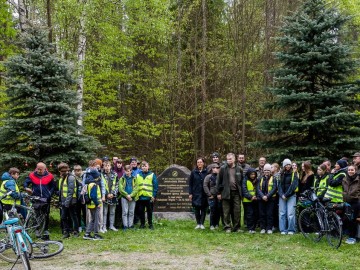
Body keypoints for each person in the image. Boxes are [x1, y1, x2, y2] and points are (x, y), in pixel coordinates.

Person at [24, 162, 55, 239]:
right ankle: (37, 229)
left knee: (46, 214)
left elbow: (53, 187)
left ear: (45, 169)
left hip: (46, 198)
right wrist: (26, 188)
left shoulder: (50, 176)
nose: (39, 170)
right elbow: (26, 183)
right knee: (36, 214)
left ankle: (45, 229)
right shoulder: (32, 175)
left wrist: (49, 194)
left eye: (41, 169)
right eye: (38, 169)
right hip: (35, 198)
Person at [216, 153, 243, 233]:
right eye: (227, 159)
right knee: (226, 211)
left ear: (234, 159)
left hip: (236, 193)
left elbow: (242, 181)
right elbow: (218, 181)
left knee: (237, 211)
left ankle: (236, 227)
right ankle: (227, 227)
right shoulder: (223, 168)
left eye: (230, 159)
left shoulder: (239, 169)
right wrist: (218, 193)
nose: (229, 160)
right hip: (225, 192)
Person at [57, 162, 79, 238]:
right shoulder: (62, 178)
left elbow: (71, 191)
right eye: (61, 171)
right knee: (63, 217)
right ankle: (66, 232)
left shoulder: (71, 178)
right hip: (63, 201)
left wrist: (66, 203)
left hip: (71, 201)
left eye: (64, 171)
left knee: (73, 216)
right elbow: (62, 190)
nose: (62, 172)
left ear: (67, 170)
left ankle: (76, 231)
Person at [278, 159, 298, 235]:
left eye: (289, 164)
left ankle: (291, 229)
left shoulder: (294, 173)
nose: (288, 166)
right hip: (282, 196)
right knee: (282, 213)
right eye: (286, 165)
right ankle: (282, 229)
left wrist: (286, 195)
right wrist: (282, 194)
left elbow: (294, 185)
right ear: (284, 166)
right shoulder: (281, 174)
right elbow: (278, 185)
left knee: (291, 214)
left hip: (291, 196)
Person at [135, 161, 158, 229]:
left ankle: (150, 224)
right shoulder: (138, 175)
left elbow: (155, 186)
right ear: (141, 167)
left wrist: (154, 195)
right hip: (140, 197)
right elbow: (135, 185)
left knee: (149, 211)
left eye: (145, 166)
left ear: (148, 167)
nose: (144, 167)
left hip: (149, 197)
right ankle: (142, 224)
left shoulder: (152, 175)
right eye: (143, 166)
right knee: (141, 211)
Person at [83, 167, 103, 240]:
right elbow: (93, 196)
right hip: (95, 205)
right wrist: (97, 203)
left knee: (93, 219)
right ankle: (96, 234)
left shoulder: (88, 183)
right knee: (97, 220)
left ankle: (87, 234)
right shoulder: (93, 184)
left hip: (90, 205)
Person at [257, 164, 277, 234]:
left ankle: (269, 228)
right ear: (263, 171)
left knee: (269, 214)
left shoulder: (274, 178)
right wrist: (262, 196)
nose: (266, 171)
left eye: (268, 170)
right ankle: (263, 228)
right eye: (265, 170)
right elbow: (258, 188)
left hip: (270, 199)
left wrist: (267, 196)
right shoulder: (260, 178)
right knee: (262, 214)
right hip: (261, 199)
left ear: (270, 171)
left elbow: (274, 188)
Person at [342, 165, 360, 244]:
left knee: (353, 219)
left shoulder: (358, 179)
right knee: (348, 218)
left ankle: (352, 237)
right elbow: (344, 189)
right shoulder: (344, 179)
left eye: (352, 170)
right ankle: (349, 234)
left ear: (355, 171)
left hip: (356, 202)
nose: (350, 171)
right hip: (347, 201)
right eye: (349, 170)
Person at [189, 158, 208, 229]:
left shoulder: (206, 171)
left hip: (204, 193)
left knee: (203, 209)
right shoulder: (193, 172)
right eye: (198, 162)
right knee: (196, 209)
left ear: (203, 163)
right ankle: (198, 223)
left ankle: (202, 224)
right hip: (195, 193)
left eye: (200, 162)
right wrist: (190, 193)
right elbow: (190, 183)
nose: (199, 163)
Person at [101, 160, 119, 231]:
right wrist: (106, 194)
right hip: (105, 196)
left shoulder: (115, 174)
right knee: (105, 212)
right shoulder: (101, 174)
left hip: (113, 195)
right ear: (103, 167)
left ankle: (111, 225)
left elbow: (117, 185)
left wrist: (113, 193)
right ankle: (104, 226)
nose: (107, 167)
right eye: (105, 166)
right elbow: (101, 186)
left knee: (112, 212)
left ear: (110, 166)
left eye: (108, 165)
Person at [119, 165, 137, 230]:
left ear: (131, 171)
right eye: (126, 171)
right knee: (125, 212)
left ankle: (131, 225)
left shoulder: (134, 178)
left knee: (131, 212)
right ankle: (125, 225)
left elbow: (136, 188)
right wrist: (127, 195)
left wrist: (131, 195)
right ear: (124, 171)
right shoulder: (122, 178)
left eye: (128, 171)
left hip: (132, 197)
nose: (127, 172)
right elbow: (120, 189)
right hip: (124, 197)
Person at [203, 163, 221, 230]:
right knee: (212, 210)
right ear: (211, 169)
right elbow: (205, 185)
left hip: (219, 196)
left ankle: (217, 224)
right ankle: (211, 224)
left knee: (218, 210)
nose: (215, 169)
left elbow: (223, 185)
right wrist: (209, 194)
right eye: (214, 168)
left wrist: (221, 194)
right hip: (211, 196)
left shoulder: (220, 176)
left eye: (217, 168)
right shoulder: (208, 177)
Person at [242, 168, 258, 233]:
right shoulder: (245, 180)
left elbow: (257, 189)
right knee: (249, 214)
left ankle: (254, 227)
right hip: (247, 200)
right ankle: (250, 228)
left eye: (254, 174)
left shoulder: (256, 180)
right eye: (251, 174)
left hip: (255, 200)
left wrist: (256, 196)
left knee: (255, 214)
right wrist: (251, 197)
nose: (253, 176)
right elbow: (244, 190)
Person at [73, 165, 86, 232]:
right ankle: (79, 226)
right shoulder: (72, 177)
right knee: (77, 212)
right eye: (76, 171)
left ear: (81, 170)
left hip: (84, 198)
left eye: (79, 170)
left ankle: (85, 226)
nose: (77, 172)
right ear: (74, 171)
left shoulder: (84, 176)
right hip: (76, 198)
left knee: (85, 212)